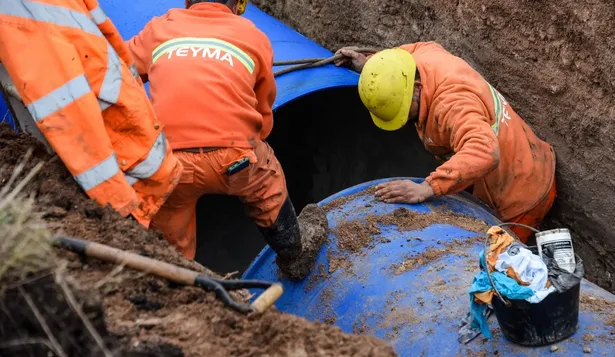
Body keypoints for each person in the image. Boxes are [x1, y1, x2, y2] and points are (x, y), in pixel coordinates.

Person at [127, 0, 327, 279]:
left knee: (168, 235)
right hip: (234, 159)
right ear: (239, 4)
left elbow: (117, 72)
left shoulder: (160, 28)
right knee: (266, 181)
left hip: (168, 162)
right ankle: (294, 253)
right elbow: (263, 109)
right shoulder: (253, 36)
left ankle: (173, 277)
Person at [335, 43, 556, 242]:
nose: (403, 123)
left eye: (405, 112)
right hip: (512, 154)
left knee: (498, 263)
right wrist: (371, 66)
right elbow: (394, 62)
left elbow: (485, 151)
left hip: (520, 191)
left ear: (418, 87)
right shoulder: (422, 56)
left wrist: (426, 188)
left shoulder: (451, 105)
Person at [0, 0, 182, 227]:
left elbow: (67, 108)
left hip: (123, 165)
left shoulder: (17, 14)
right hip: (141, 146)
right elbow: (115, 46)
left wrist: (116, 205)